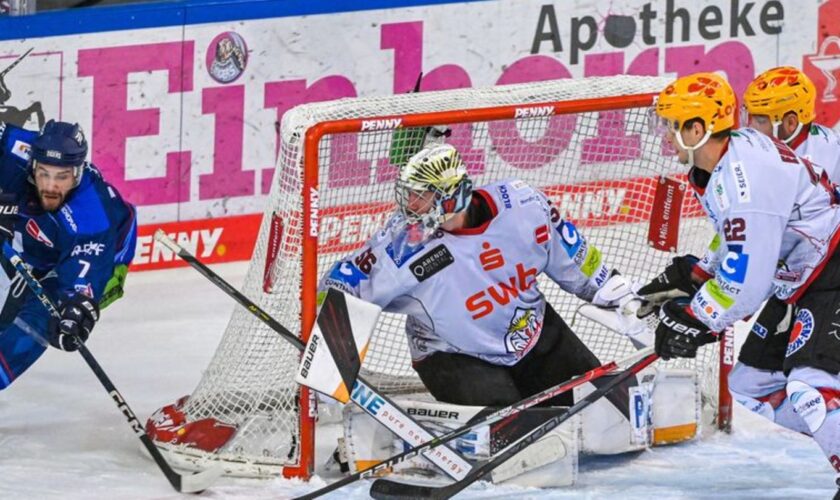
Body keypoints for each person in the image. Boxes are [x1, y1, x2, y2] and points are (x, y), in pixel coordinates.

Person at [319, 141, 638, 407]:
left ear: (452, 195)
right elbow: (344, 286)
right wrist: (326, 362)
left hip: (533, 334)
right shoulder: (404, 243)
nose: (411, 206)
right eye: (409, 195)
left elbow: (578, 264)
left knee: (609, 407)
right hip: (452, 356)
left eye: (422, 196)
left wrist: (621, 298)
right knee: (513, 435)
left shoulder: (525, 204)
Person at [639, 71, 840, 490]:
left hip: (832, 267)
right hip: (802, 275)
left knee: (810, 388)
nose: (666, 137)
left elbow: (747, 283)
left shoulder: (748, 181)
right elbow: (737, 241)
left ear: (698, 129)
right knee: (753, 385)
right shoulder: (724, 158)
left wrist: (696, 318)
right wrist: (698, 273)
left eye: (672, 126)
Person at [0, 120, 137, 389]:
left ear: (77, 172)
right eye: (45, 175)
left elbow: (85, 274)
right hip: (36, 245)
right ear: (33, 167)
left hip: (105, 264)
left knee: (41, 318)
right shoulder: (19, 149)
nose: (51, 186)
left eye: (62, 177)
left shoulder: (91, 215)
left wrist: (78, 310)